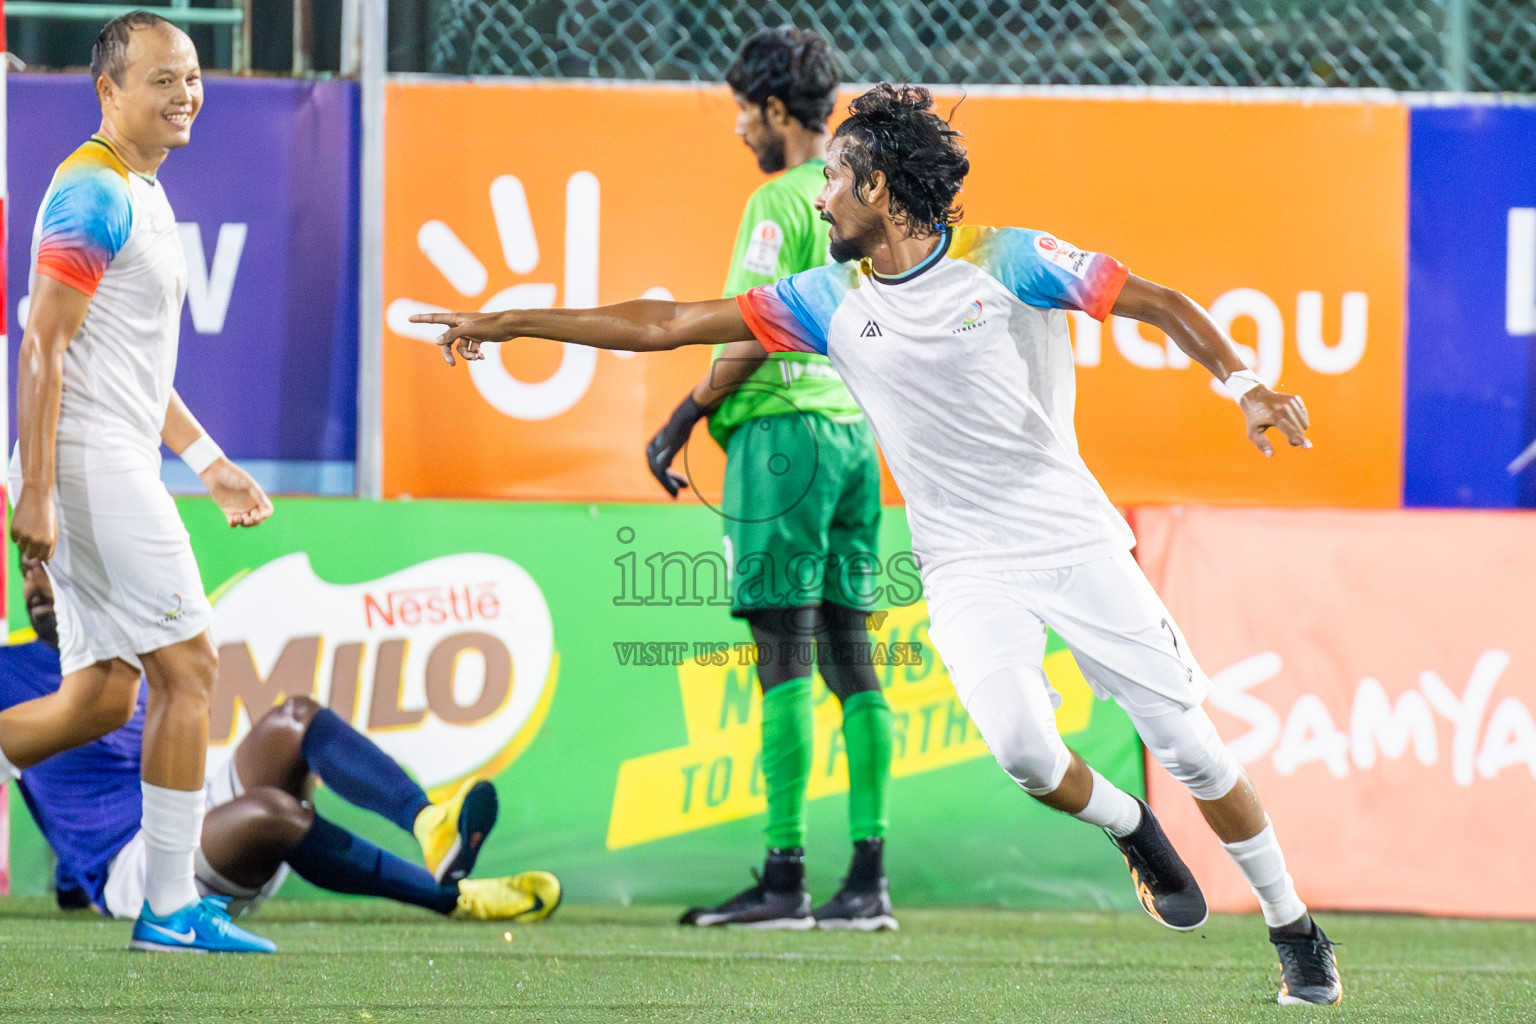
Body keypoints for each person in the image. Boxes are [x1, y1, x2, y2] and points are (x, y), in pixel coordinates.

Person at [413, 84, 1344, 1005]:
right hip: (965, 568)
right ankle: (1132, 827)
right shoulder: (824, 300)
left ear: (883, 190)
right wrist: (504, 322)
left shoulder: (1007, 261)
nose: (819, 197)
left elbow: (1160, 302)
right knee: (1025, 752)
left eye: (835, 178)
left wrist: (1248, 384)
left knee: (1194, 751)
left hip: (1073, 544)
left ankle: (1292, 926)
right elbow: (666, 326)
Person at [5, 12, 275, 952]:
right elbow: (42, 345)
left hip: (105, 454)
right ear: (107, 91)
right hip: (86, 463)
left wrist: (210, 461)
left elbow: (132, 369)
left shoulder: (143, 190)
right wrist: (36, 489)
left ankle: (166, 907)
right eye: (161, 79)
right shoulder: (90, 189)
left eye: (192, 76)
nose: (184, 93)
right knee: (189, 668)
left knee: (104, 698)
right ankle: (168, 909)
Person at [643, 27, 895, 932]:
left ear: (777, 113)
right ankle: (867, 881)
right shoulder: (869, 193)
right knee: (852, 658)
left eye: (745, 112)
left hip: (783, 438)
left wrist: (683, 416)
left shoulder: (783, 200)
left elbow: (756, 329)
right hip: (856, 437)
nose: (742, 129)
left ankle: (784, 878)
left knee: (781, 655)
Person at [1, 555, 561, 926]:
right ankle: (454, 899)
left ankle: (429, 824)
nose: (36, 585)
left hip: (198, 814)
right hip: (136, 867)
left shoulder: (137, 655)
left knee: (298, 716)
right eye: (27, 569)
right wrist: (76, 880)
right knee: (272, 810)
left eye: (51, 565)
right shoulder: (9, 670)